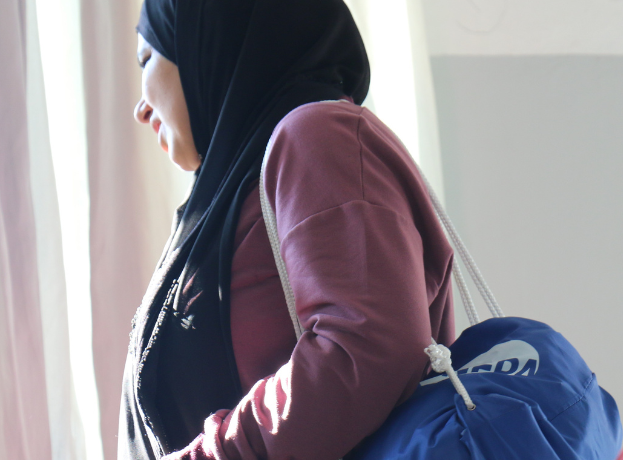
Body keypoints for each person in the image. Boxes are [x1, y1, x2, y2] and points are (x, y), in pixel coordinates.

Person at [119, 0, 455, 458]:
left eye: (147, 58)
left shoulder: (317, 137)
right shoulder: (237, 194)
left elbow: (369, 347)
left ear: (210, 38)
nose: (140, 107)